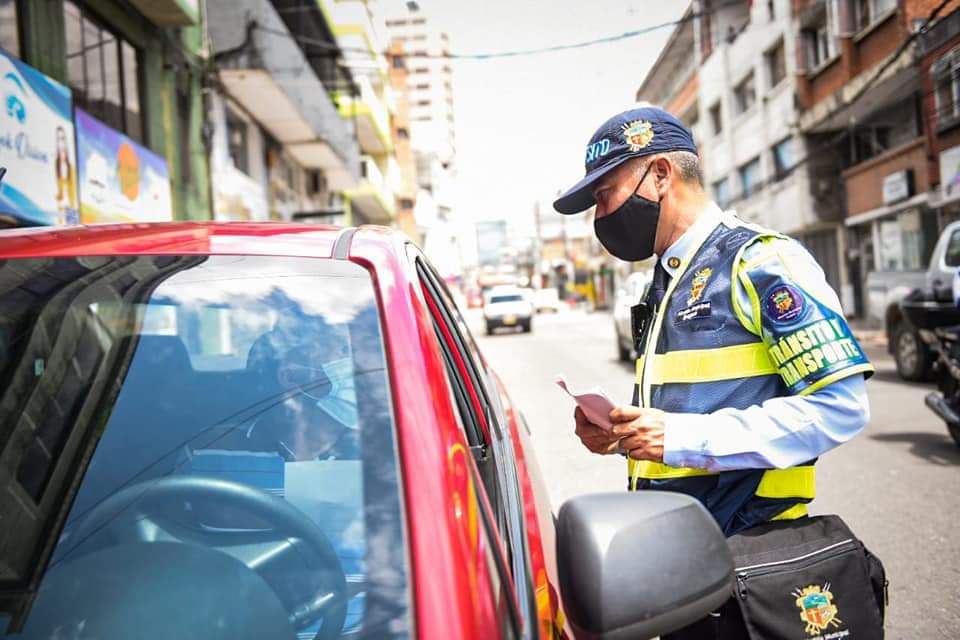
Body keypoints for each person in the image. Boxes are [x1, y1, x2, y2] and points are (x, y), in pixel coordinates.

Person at [553, 106, 873, 639]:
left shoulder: (761, 261)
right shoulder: (669, 278)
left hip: (751, 569)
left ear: (659, 175)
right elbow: (693, 406)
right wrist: (626, 435)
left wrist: (678, 437)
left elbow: (840, 408)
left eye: (605, 194)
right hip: (683, 565)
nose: (600, 214)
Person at [245, 314, 360, 461]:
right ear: (290, 375)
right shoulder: (231, 451)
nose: (357, 361)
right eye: (344, 350)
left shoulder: (373, 450)